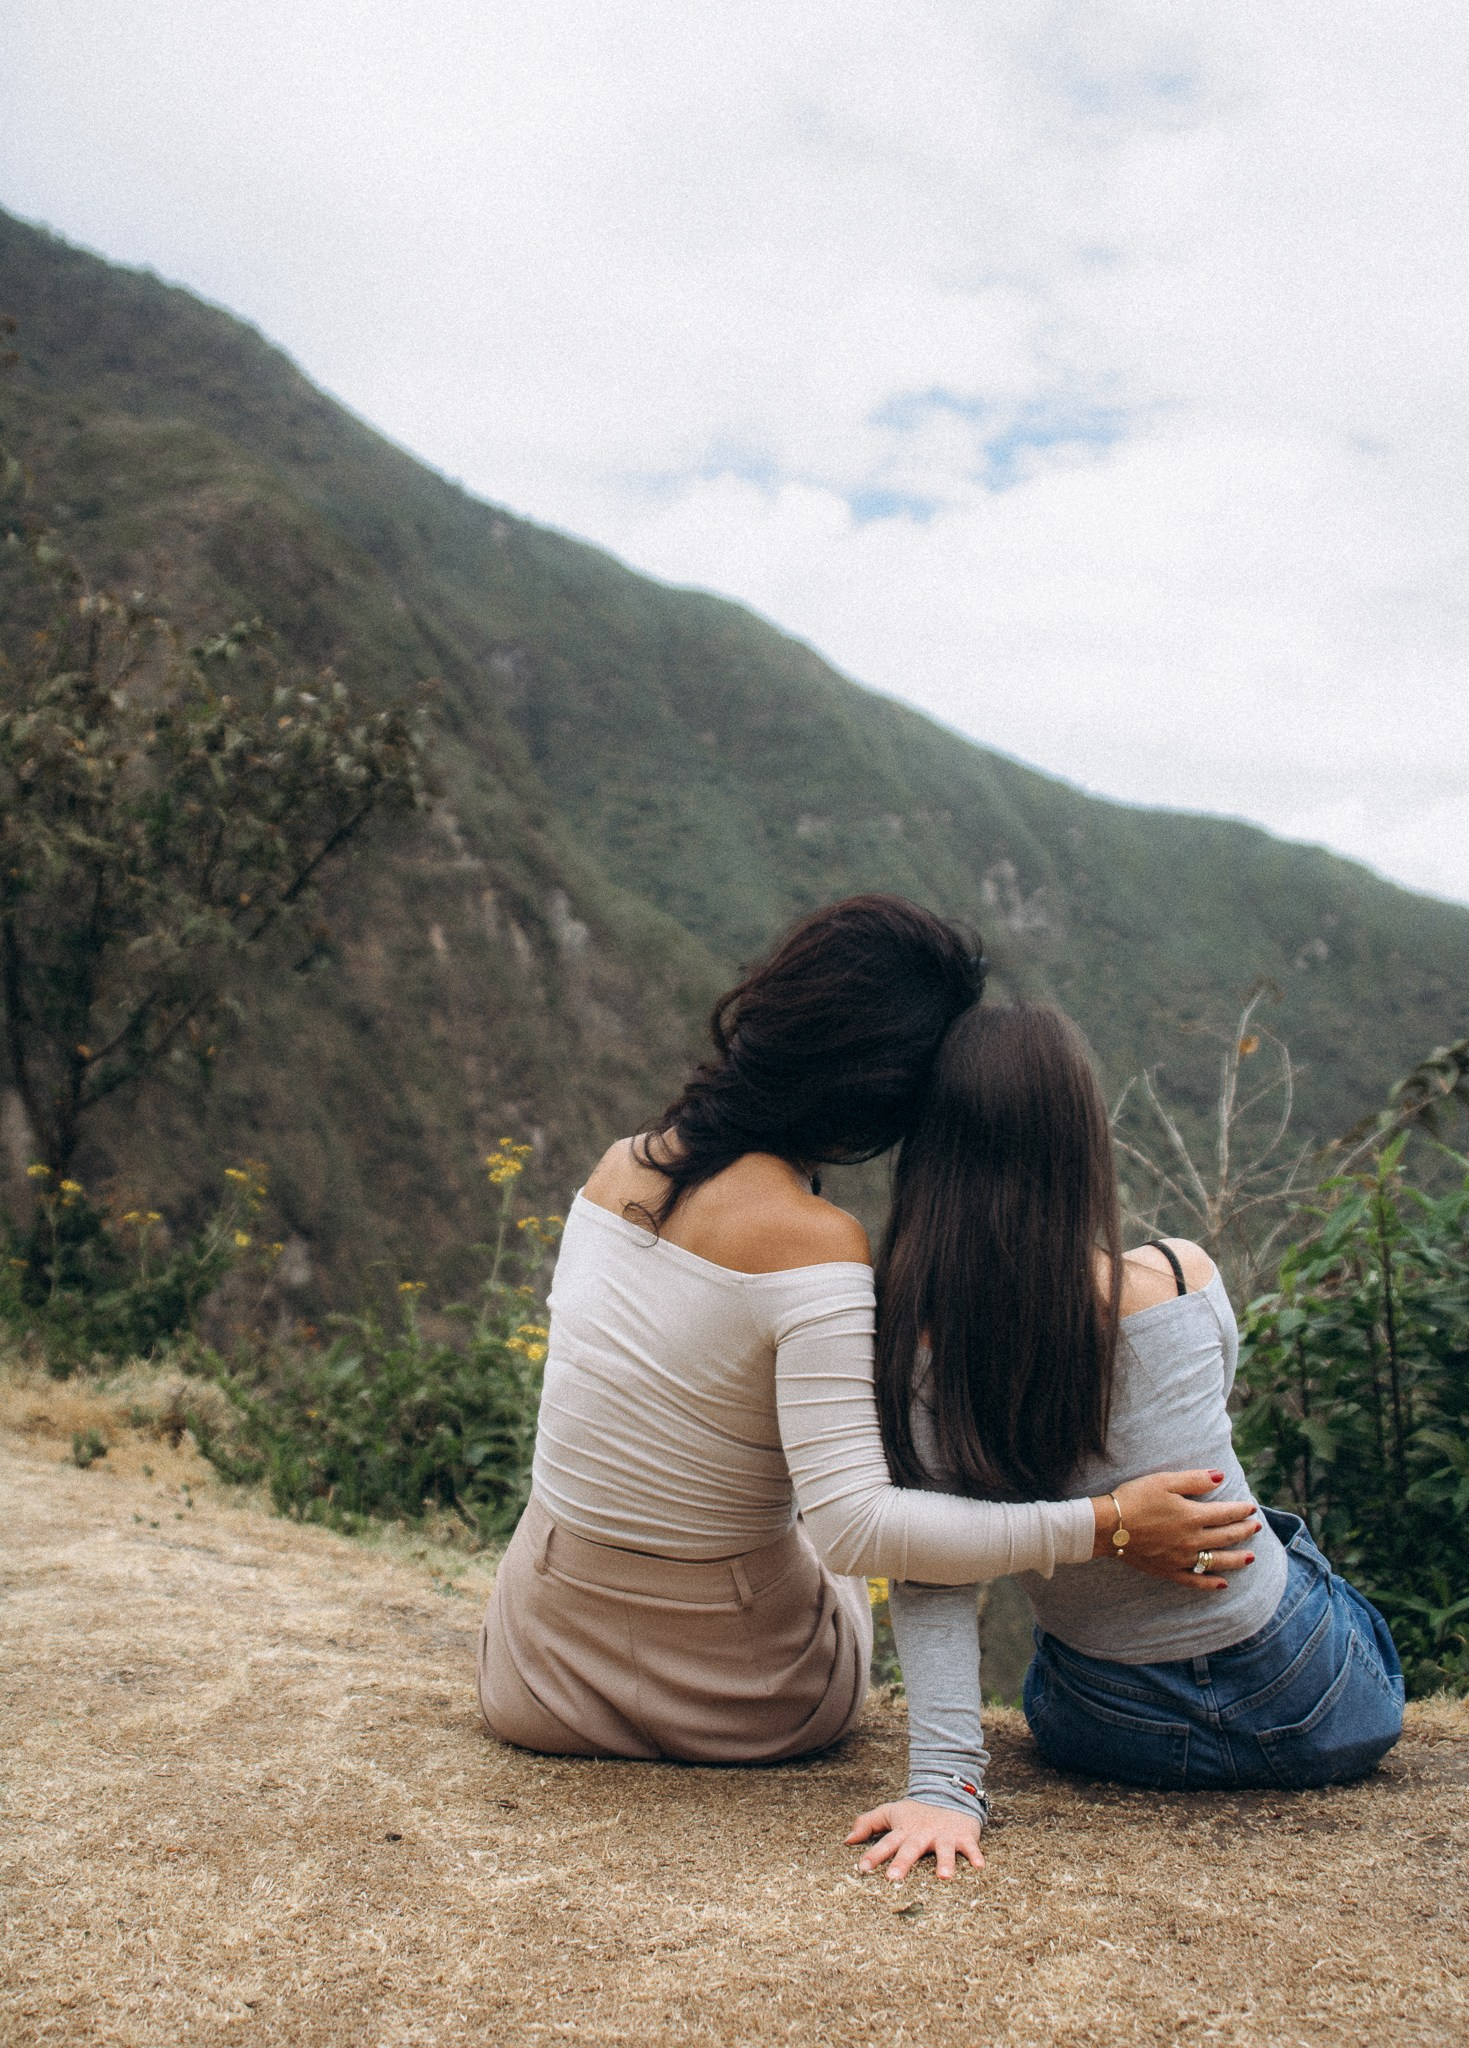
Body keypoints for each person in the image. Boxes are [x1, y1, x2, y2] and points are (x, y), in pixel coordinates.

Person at [478, 898, 1260, 1766]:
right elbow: (858, 1532)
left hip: (534, 1672)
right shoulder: (814, 1245)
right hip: (736, 1701)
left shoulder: (619, 1164)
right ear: (886, 1097)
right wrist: (1105, 1523)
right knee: (858, 1498)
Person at [848, 1001, 1405, 1882]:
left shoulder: (917, 1353)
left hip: (1106, 1727)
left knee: (1054, 1644)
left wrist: (945, 1787)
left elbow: (931, 1575)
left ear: (933, 1153)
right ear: (1082, 1143)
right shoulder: (1183, 1277)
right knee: (1296, 1554)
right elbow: (1201, 1418)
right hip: (1312, 1705)